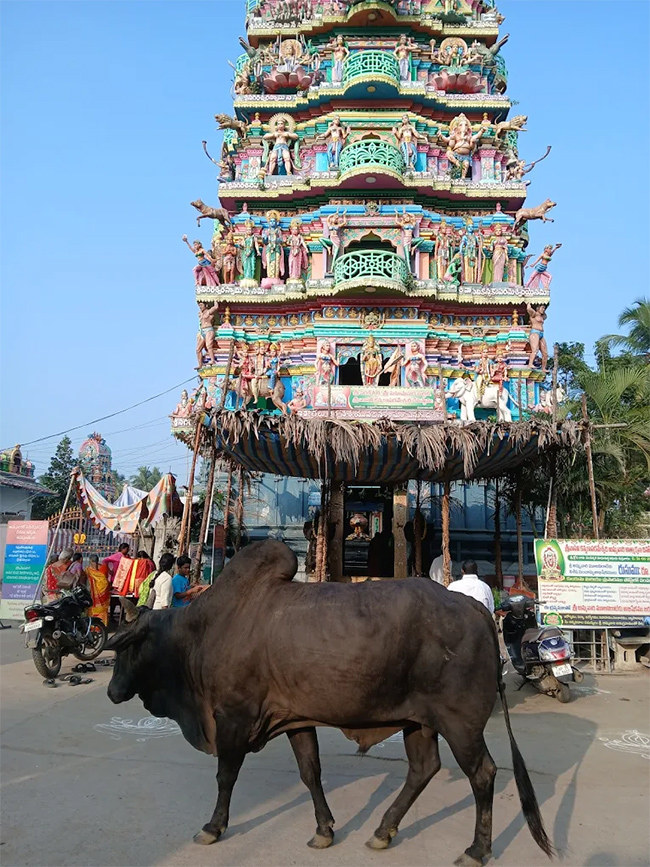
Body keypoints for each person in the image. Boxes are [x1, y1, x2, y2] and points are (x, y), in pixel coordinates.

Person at [86, 555, 111, 625]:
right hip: (103, 593)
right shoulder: (104, 567)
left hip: (93, 594)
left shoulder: (89, 570)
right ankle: (103, 624)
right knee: (102, 610)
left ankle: (93, 625)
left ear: (90, 561)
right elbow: (105, 582)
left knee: (94, 608)